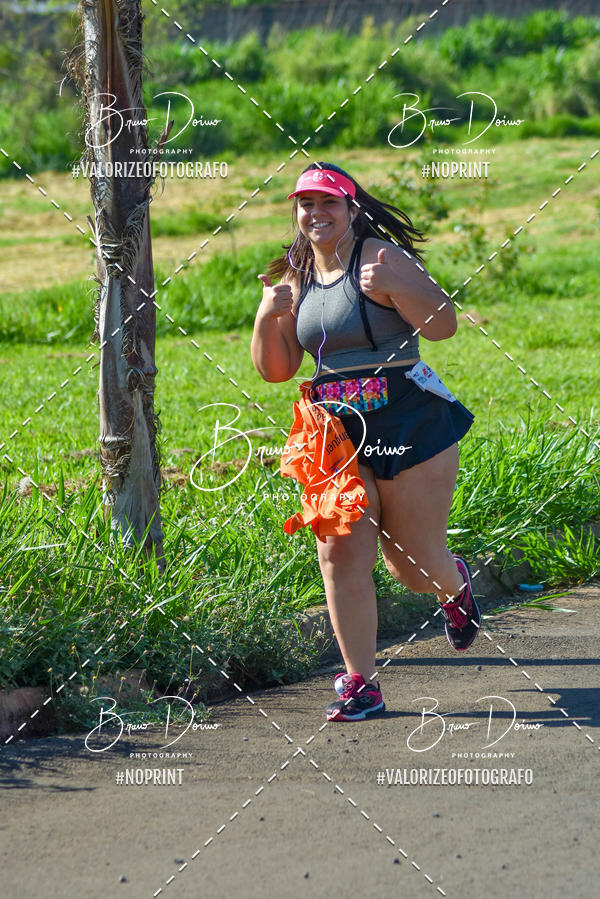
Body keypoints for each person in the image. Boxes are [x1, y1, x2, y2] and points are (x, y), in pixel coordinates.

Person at [251, 162, 480, 722]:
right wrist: (266, 316)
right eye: (306, 204)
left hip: (407, 420)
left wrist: (399, 288)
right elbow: (277, 369)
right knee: (339, 554)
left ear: (352, 209)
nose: (316, 213)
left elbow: (443, 324)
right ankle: (361, 683)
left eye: (329, 203)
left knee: (412, 566)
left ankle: (454, 587)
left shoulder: (380, 258)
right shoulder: (295, 274)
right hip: (333, 434)